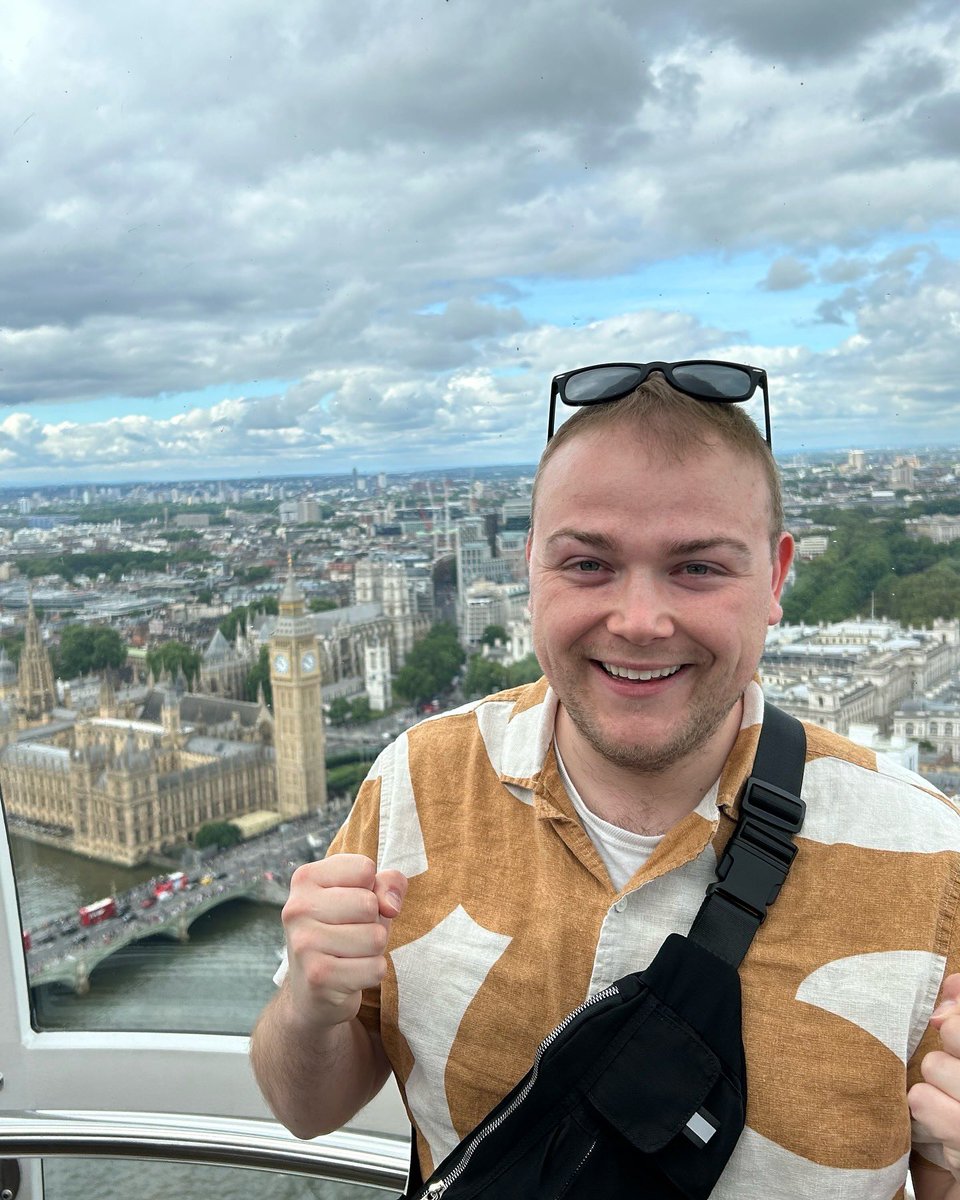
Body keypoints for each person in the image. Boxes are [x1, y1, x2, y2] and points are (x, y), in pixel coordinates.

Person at [251, 365, 960, 1198]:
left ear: (775, 579)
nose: (638, 621)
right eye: (589, 564)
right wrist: (307, 1002)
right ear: (530, 569)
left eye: (697, 568)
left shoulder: (931, 855)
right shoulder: (416, 780)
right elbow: (306, 1108)